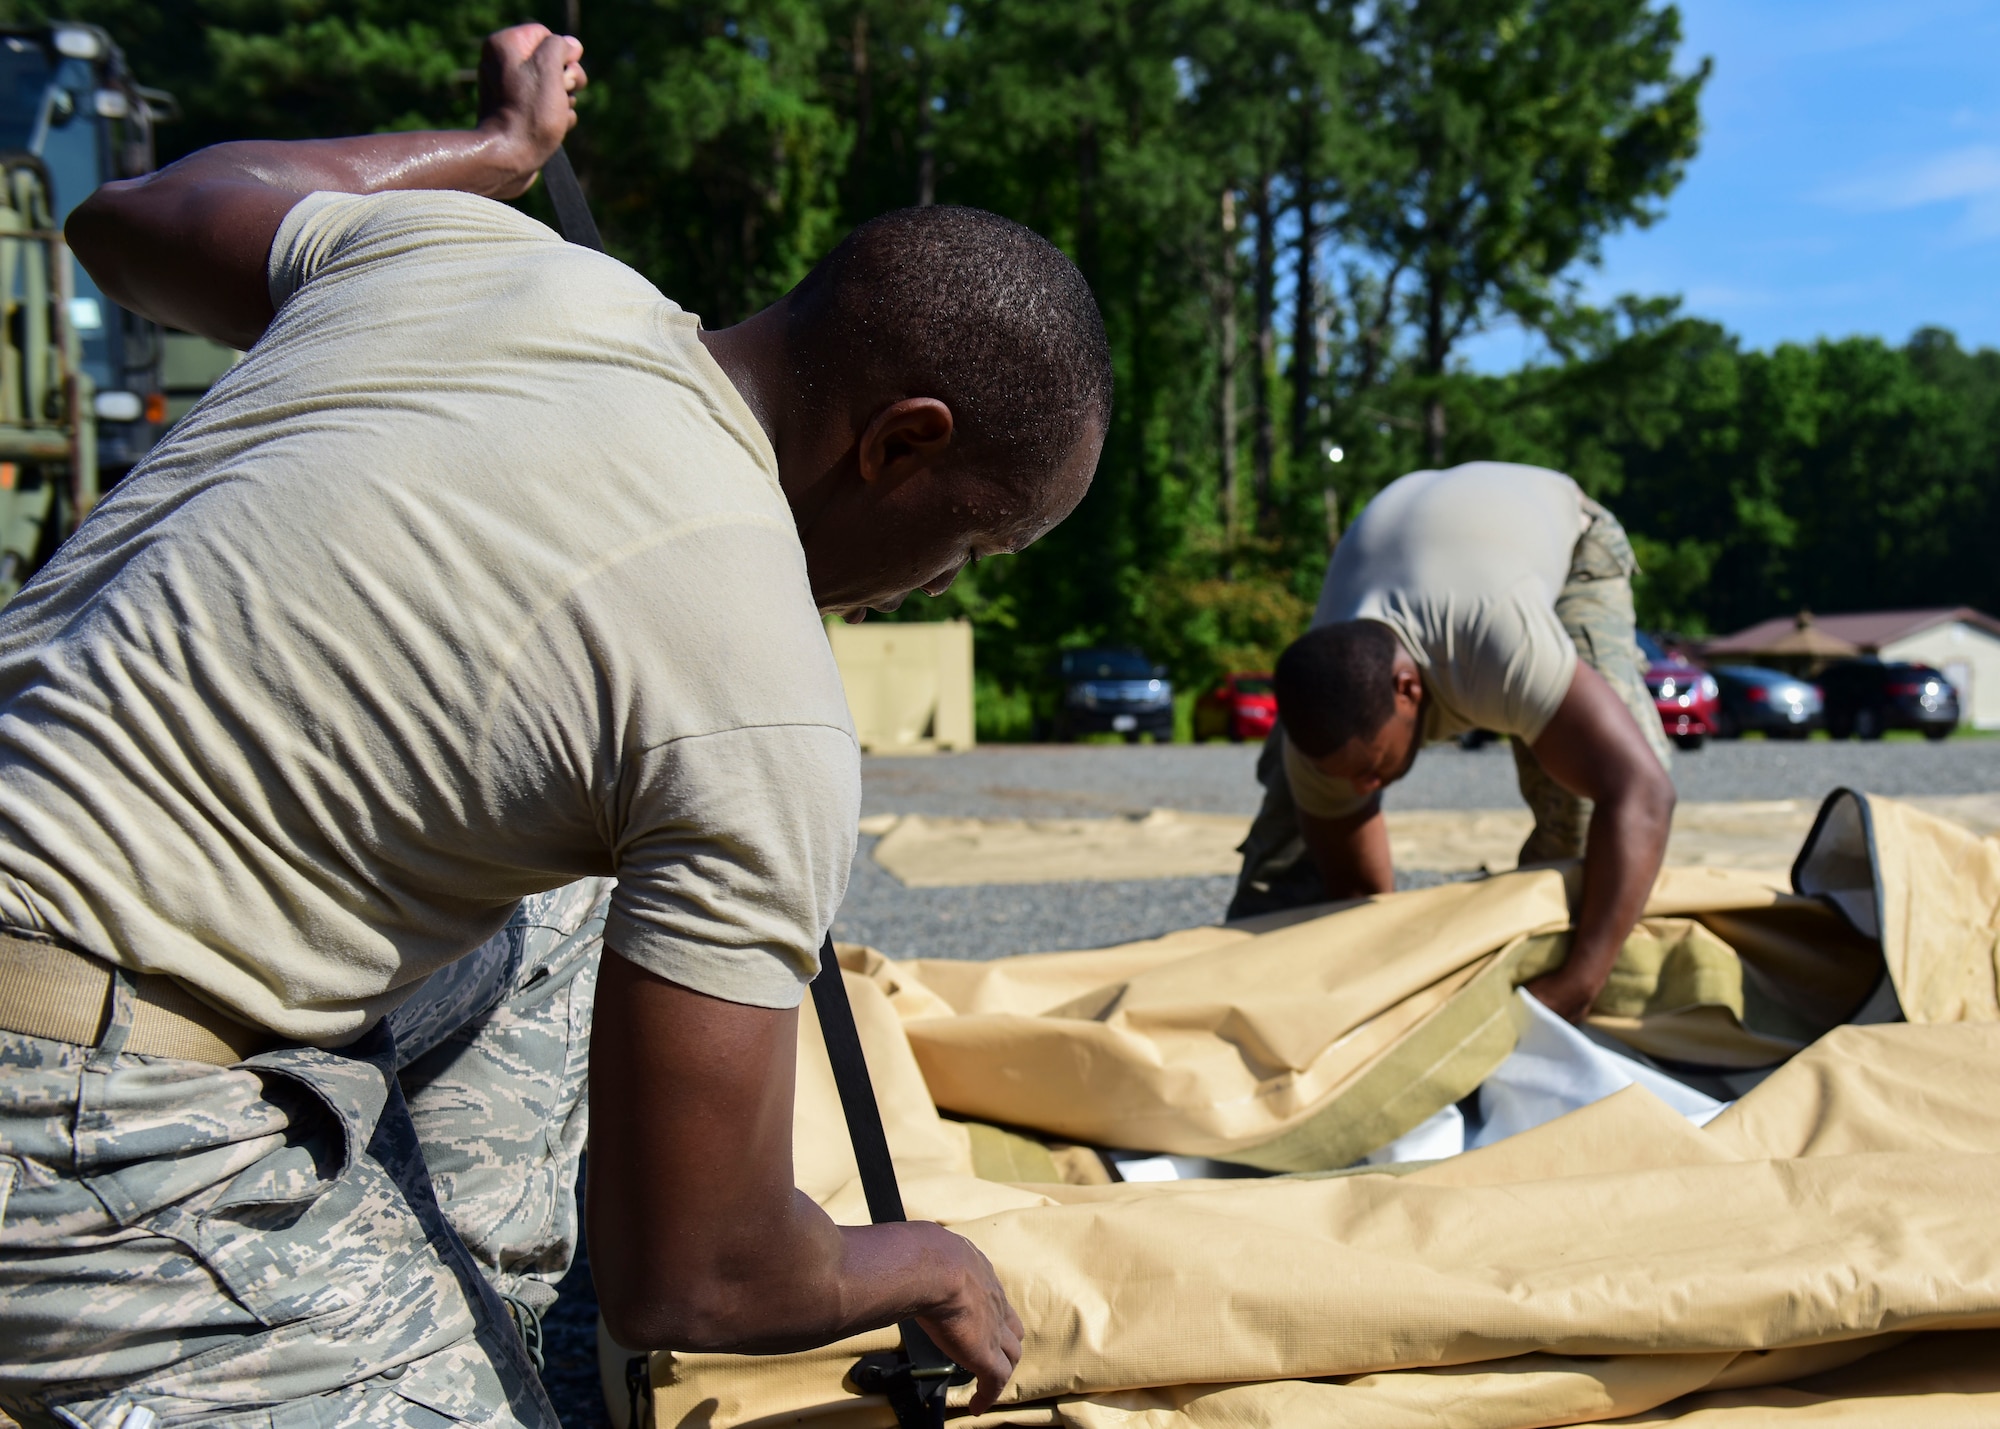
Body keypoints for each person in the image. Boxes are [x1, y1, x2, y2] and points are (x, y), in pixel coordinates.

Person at [0, 24, 1109, 1429]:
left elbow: (132, 218)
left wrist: (490, 158)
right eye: (966, 551)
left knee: (582, 900)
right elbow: (699, 1279)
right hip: (64, 1098)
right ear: (903, 443)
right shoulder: (757, 688)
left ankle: (459, 1290)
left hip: (67, 904)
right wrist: (921, 1257)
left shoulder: (470, 256)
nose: (926, 592)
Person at [1228, 461, 1675, 1021]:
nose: (1363, 788)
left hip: (1567, 543)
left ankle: (1576, 983)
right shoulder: (1328, 708)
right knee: (1294, 837)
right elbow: (1359, 899)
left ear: (1408, 689)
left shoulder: (1499, 645)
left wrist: (1578, 982)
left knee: (1587, 815)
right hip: (1438, 538)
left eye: (1371, 769)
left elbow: (1644, 793)